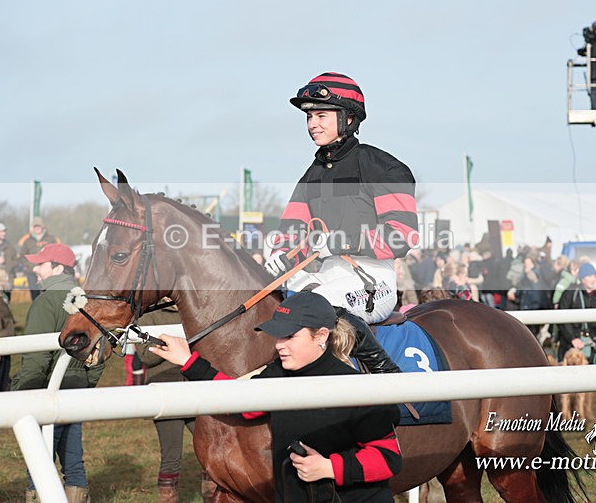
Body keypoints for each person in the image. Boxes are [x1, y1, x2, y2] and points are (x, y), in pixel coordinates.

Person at [149, 292, 402, 502]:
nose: (280, 344)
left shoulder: (355, 387)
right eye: (279, 335)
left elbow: (388, 457)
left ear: (322, 336)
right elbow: (243, 403)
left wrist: (329, 468)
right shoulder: (277, 373)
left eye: (290, 336)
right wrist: (187, 361)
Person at [264, 72, 419, 374]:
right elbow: (291, 232)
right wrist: (279, 255)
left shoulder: (383, 167)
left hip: (375, 281)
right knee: (276, 304)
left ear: (348, 118)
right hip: (325, 276)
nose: (312, 125)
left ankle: (388, 376)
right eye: (309, 117)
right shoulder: (313, 174)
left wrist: (338, 242)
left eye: (321, 115)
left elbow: (402, 237)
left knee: (316, 308)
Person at [11, 243, 104, 501]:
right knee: (74, 462)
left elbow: (36, 358)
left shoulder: (44, 303)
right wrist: (86, 383)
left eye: (40, 264)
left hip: (46, 393)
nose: (34, 269)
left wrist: (21, 392)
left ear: (57, 268)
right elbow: (101, 353)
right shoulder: (89, 301)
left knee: (39, 461)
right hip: (75, 390)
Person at [136, 303, 217, 503]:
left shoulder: (191, 308)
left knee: (211, 450)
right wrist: (179, 348)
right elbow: (145, 356)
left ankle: (215, 497)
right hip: (166, 395)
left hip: (194, 392)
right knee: (171, 457)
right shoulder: (148, 316)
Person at [557, 262, 596, 364]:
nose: (593, 279)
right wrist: (573, 339)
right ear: (582, 279)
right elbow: (562, 318)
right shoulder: (570, 293)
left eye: (594, 276)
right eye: (589, 276)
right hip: (572, 345)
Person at [17, 217, 61, 300]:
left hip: (48, 272)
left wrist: (51, 266)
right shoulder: (27, 241)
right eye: (35, 226)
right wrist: (29, 266)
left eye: (39, 226)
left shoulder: (50, 238)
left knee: (49, 295)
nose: (37, 228)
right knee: (35, 296)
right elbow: (22, 256)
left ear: (43, 226)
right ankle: (37, 311)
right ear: (32, 228)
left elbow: (57, 252)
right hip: (32, 273)